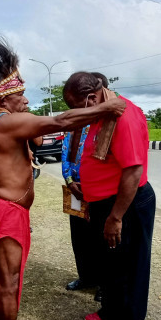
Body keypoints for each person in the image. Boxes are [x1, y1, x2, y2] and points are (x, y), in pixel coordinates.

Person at [0, 36, 126, 320]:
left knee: (0, 274)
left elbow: (43, 137)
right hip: (6, 211)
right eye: (21, 95)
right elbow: (60, 121)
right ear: (6, 98)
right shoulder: (6, 122)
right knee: (9, 278)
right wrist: (106, 107)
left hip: (2, 208)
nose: (26, 100)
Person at [63, 72, 156, 320]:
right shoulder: (102, 114)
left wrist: (115, 217)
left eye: (77, 107)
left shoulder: (124, 117)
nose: (77, 114)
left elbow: (133, 171)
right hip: (105, 203)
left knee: (127, 268)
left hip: (125, 206)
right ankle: (110, 311)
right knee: (109, 264)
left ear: (92, 98)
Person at [63, 72, 109, 300]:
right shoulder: (76, 121)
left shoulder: (107, 123)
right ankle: (86, 276)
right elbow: (65, 151)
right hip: (74, 189)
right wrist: (69, 181)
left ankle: (103, 284)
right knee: (79, 236)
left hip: (98, 191)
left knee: (100, 237)